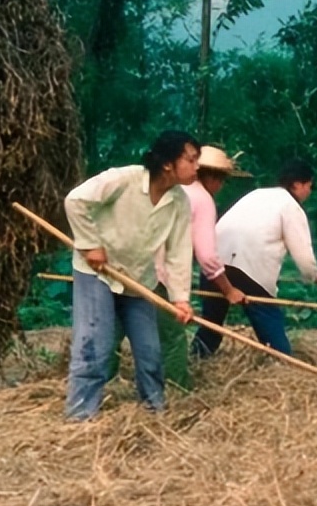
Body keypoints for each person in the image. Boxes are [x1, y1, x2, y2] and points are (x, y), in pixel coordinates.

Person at [63, 130, 199, 421]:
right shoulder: (123, 179)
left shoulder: (179, 202)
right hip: (97, 273)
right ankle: (80, 417)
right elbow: (75, 201)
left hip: (139, 281)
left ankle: (154, 412)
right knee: (95, 346)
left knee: (149, 350)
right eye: (190, 159)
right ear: (167, 163)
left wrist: (181, 299)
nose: (196, 167)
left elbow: (178, 252)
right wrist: (90, 244)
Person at [107, 146, 250, 389]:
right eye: (222, 180)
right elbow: (207, 257)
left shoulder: (165, 188)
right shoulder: (201, 199)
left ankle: (102, 381)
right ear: (213, 177)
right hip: (158, 276)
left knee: (114, 330)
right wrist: (228, 290)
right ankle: (177, 389)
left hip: (124, 268)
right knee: (172, 337)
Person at [191, 158, 317, 358]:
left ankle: (196, 358)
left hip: (214, 265)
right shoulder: (290, 206)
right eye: (309, 186)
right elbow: (303, 255)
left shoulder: (257, 194)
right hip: (249, 268)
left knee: (211, 323)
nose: (309, 192)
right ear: (297, 184)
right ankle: (281, 362)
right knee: (270, 323)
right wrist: (316, 277)